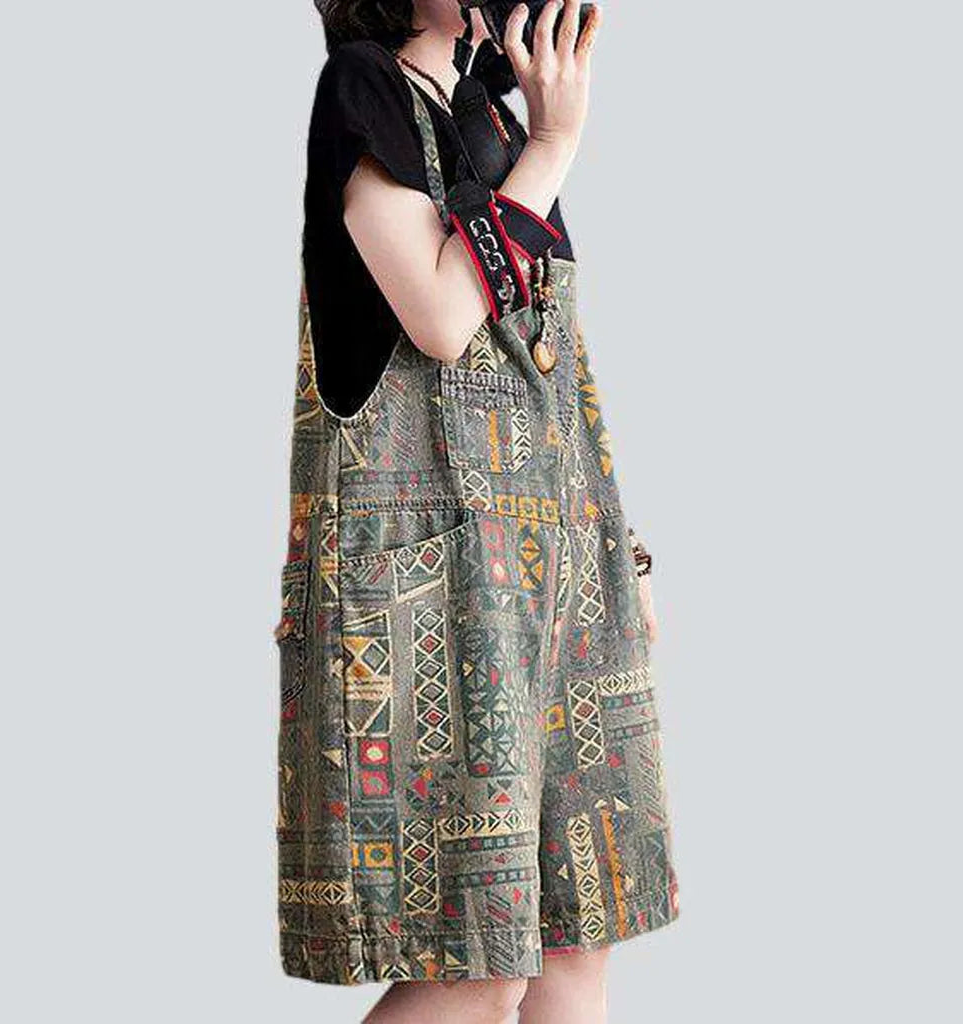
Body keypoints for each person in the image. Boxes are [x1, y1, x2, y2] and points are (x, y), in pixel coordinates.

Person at [275, 3, 680, 1020]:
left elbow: (551, 382)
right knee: (477, 968)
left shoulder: (489, 116)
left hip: (563, 584)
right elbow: (444, 315)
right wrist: (554, 143)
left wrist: (617, 556)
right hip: (431, 605)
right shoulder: (366, 87)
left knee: (574, 940)